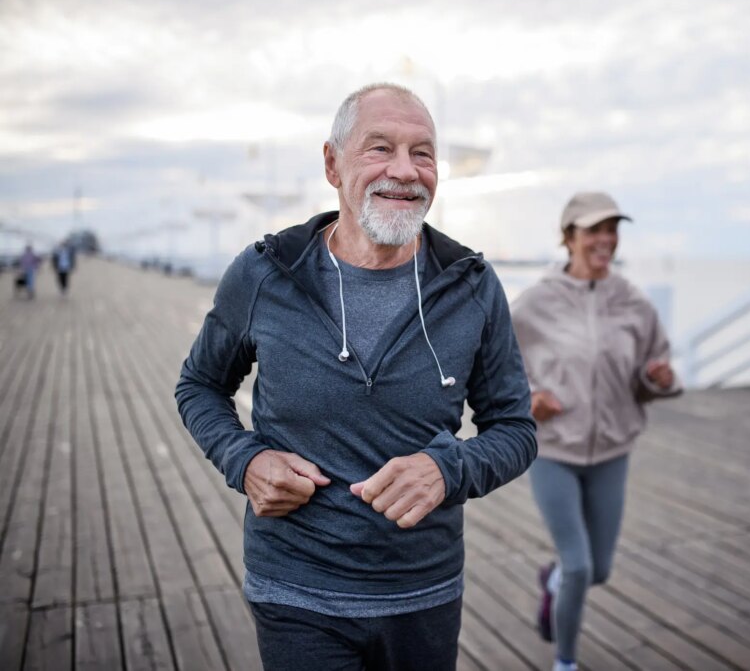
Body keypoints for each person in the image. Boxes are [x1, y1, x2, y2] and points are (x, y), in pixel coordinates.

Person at [175, 83, 536, 671]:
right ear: (332, 164)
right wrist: (245, 460)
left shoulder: (471, 284)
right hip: (295, 588)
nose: (405, 170)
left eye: (422, 153)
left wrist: (450, 468)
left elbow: (515, 429)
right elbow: (199, 386)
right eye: (380, 148)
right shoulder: (266, 274)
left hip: (425, 592)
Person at [510, 192, 682, 671]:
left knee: (598, 570)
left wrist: (657, 379)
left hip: (612, 448)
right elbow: (498, 365)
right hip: (554, 450)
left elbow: (654, 367)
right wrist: (529, 395)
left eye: (612, 229)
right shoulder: (535, 303)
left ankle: (552, 583)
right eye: (593, 230)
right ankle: (565, 662)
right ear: (568, 238)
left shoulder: (631, 300)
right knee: (580, 565)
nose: (605, 239)